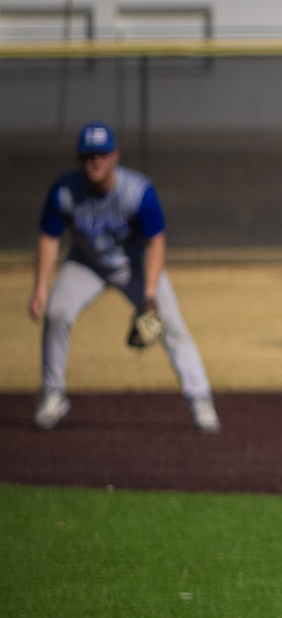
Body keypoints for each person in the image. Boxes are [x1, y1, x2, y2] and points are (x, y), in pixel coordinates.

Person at [28, 123, 218, 434]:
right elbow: (49, 237)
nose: (95, 161)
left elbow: (155, 242)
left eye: (102, 154)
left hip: (134, 265)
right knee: (56, 313)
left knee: (169, 321)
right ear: (79, 158)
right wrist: (39, 288)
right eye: (88, 155)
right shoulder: (64, 190)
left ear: (115, 155)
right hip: (86, 263)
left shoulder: (137, 191)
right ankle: (52, 394)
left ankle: (200, 397)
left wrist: (151, 292)